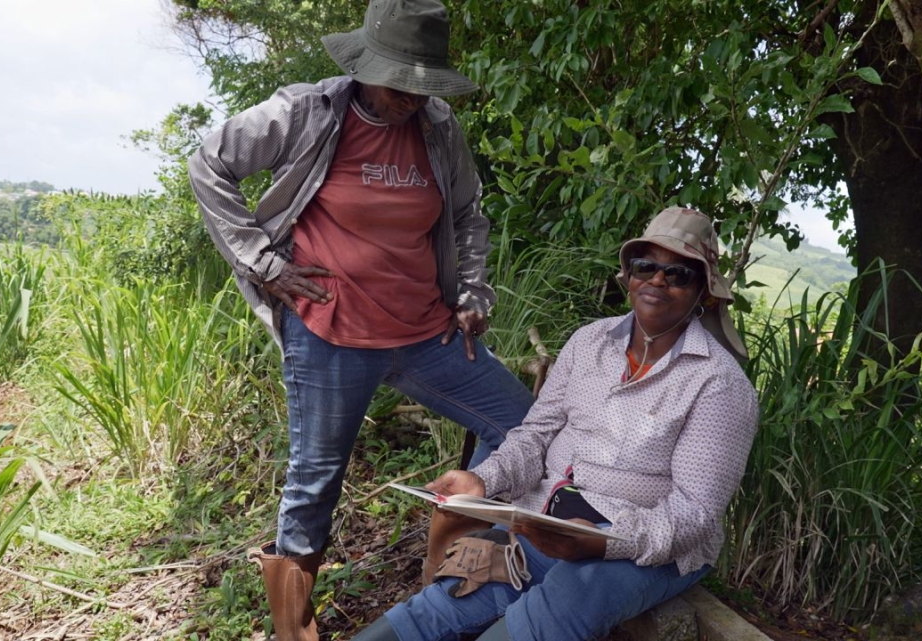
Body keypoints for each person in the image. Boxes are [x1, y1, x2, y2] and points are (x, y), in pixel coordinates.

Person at [187, 1, 535, 639]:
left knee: (525, 428)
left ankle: (462, 564)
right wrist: (261, 261)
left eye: (421, 83)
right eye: (398, 80)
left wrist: (474, 291)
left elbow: (468, 216)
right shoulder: (307, 112)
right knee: (315, 483)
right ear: (365, 65)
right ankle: (293, 630)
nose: (410, 97)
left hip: (428, 332)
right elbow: (209, 163)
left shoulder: (438, 127)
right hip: (330, 335)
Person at [353, 206, 760, 641]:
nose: (658, 280)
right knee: (440, 605)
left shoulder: (718, 384)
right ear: (629, 277)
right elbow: (536, 435)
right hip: (546, 520)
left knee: (564, 600)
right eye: (646, 267)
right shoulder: (589, 342)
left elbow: (693, 513)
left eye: (679, 273)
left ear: (705, 292)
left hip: (642, 542)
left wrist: (607, 543)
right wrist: (483, 481)